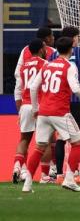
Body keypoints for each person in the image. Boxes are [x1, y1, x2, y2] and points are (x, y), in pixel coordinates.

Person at [22, 37, 80, 193]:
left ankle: (27, 184)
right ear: (71, 50)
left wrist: (35, 108)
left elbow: (33, 87)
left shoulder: (47, 65)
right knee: (77, 143)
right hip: (60, 112)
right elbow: (76, 89)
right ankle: (69, 180)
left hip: (43, 113)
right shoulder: (69, 66)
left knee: (39, 148)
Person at [48, 26, 80, 186]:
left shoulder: (53, 55)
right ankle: (74, 174)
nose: (78, 39)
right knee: (78, 138)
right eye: (77, 36)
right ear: (73, 38)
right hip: (77, 101)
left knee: (61, 137)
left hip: (59, 102)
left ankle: (59, 174)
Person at [12, 39, 50, 184]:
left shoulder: (23, 67)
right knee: (46, 141)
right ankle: (45, 175)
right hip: (39, 106)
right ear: (41, 50)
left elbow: (20, 87)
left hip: (25, 105)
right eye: (44, 48)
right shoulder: (45, 64)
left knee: (24, 140)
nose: (46, 50)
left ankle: (17, 166)